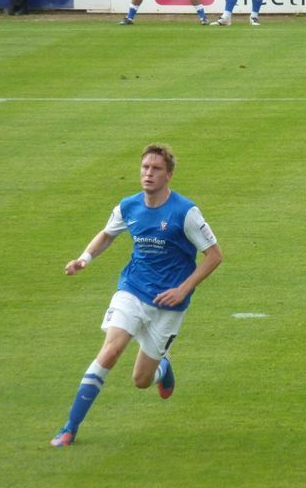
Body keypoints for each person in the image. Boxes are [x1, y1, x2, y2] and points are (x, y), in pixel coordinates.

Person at [50, 144, 223, 447]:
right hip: (132, 289)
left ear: (168, 175)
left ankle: (163, 369)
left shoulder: (185, 212)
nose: (148, 173)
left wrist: (183, 289)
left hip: (169, 304)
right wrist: (84, 259)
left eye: (156, 169)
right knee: (111, 351)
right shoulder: (129, 206)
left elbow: (214, 255)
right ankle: (69, 428)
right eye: (145, 167)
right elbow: (107, 234)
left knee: (141, 380)